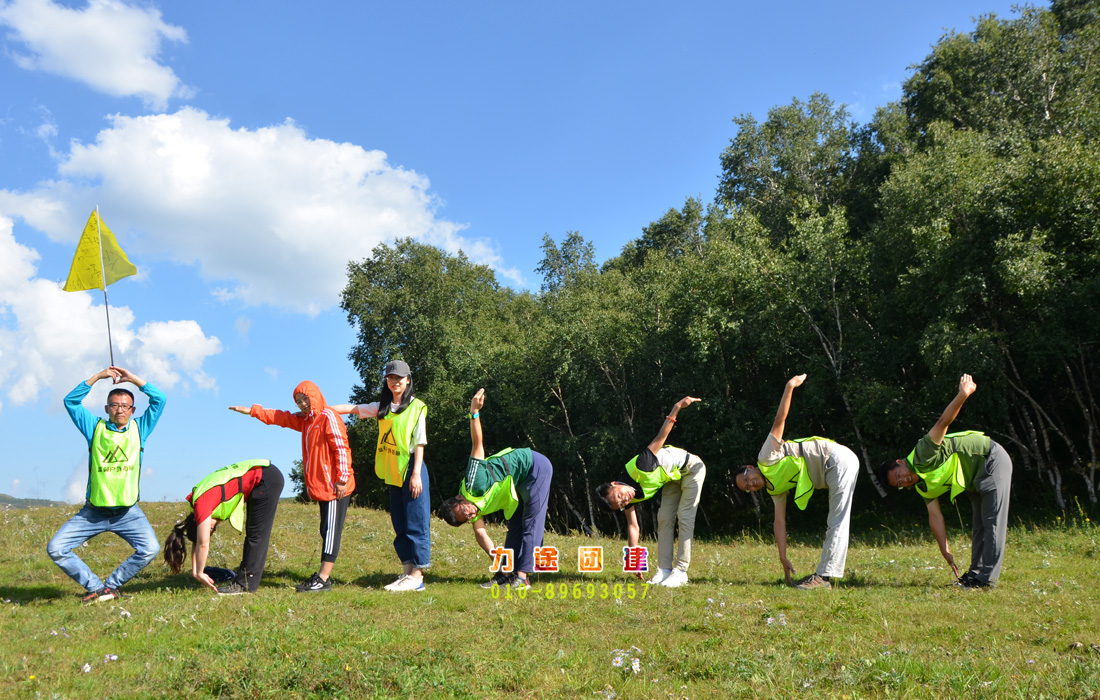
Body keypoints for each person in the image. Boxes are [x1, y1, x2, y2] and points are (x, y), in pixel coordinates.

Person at [878, 374, 1013, 590]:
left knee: (992, 524)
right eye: (899, 484)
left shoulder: (922, 453)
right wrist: (946, 552)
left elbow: (943, 422)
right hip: (973, 479)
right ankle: (975, 575)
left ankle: (986, 580)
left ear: (900, 462)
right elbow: (936, 517)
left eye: (899, 475)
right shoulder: (922, 487)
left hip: (991, 460)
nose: (904, 480)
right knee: (979, 527)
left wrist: (963, 394)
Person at [47, 366, 166, 604]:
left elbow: (159, 399)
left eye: (125, 406)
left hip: (128, 513)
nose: (119, 409)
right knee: (56, 548)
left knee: (150, 549)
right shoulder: (94, 427)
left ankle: (111, 586)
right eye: (114, 405)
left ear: (132, 410)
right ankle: (95, 587)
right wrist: (97, 377)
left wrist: (133, 379)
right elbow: (70, 401)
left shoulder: (139, 428)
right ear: (106, 409)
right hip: (92, 512)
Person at [733, 374, 859, 590]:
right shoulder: (775, 489)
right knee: (836, 519)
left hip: (836, 459)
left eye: (746, 478)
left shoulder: (765, 457)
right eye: (746, 488)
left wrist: (789, 386)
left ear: (751, 467)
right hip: (833, 468)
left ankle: (824, 578)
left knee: (837, 519)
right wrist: (783, 558)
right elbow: (779, 523)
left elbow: (779, 421)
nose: (750, 484)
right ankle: (824, 576)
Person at [229, 381, 354, 593]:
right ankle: (323, 576)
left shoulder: (329, 417)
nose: (303, 404)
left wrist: (342, 478)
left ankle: (323, 580)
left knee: (331, 532)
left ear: (314, 396)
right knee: (326, 530)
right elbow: (281, 417)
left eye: (306, 398)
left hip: (335, 486)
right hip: (324, 487)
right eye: (299, 401)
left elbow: (341, 448)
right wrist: (253, 411)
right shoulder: (306, 421)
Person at [437, 389, 554, 590]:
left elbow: (477, 444)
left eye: (465, 511)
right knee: (515, 527)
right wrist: (499, 560)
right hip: (517, 487)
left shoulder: (474, 482)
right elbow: (481, 534)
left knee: (531, 523)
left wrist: (474, 412)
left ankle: (523, 577)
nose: (471, 513)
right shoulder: (470, 508)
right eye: (467, 518)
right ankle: (505, 575)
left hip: (535, 467)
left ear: (459, 498)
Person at [331, 360, 429, 592]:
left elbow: (420, 443)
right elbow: (353, 408)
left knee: (416, 522)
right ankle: (406, 573)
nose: (395, 382)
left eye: (399, 378)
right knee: (400, 523)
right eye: (390, 378)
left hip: (412, 470)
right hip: (392, 473)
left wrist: (416, 474)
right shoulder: (382, 407)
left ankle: (417, 576)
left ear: (408, 380)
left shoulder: (417, 407)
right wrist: (321, 410)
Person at [594, 396, 704, 588]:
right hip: (673, 478)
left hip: (692, 468)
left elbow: (661, 437)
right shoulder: (629, 499)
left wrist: (677, 406)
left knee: (685, 516)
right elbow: (633, 527)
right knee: (664, 518)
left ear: (614, 483)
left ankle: (680, 571)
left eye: (620, 496)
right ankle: (664, 570)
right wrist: (634, 561)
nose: (625, 500)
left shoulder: (640, 465)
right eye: (620, 504)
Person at [163, 460, 284, 595]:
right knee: (254, 533)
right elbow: (198, 541)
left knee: (256, 535)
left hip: (266, 478)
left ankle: (244, 585)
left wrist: (199, 572)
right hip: (264, 476)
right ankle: (244, 581)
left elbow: (203, 544)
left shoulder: (202, 505)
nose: (214, 529)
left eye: (212, 530)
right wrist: (196, 571)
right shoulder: (196, 505)